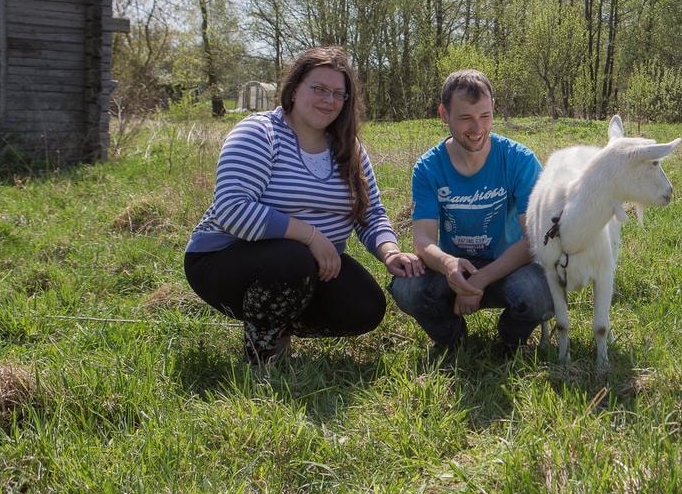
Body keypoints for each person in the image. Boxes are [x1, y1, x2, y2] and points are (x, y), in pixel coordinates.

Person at [184, 47, 424, 364]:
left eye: (339, 94)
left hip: (308, 269)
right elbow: (231, 208)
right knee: (291, 257)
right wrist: (310, 236)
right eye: (319, 89)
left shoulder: (348, 148)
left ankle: (275, 322)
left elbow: (370, 214)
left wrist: (390, 252)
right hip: (224, 260)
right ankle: (262, 354)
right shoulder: (259, 133)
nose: (329, 99)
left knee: (365, 305)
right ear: (295, 88)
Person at [389, 69, 553, 356]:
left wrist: (482, 278)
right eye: (465, 118)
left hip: (510, 265)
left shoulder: (520, 160)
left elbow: (534, 239)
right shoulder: (428, 167)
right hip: (456, 270)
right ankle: (454, 341)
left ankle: (509, 341)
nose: (477, 128)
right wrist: (450, 266)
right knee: (407, 288)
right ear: (444, 114)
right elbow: (423, 240)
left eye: (485, 116)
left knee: (544, 291)